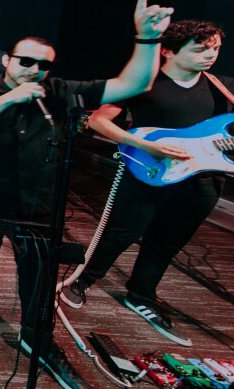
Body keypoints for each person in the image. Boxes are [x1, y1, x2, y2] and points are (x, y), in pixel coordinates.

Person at [0, 0, 173, 389]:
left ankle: (35, 335)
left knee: (36, 269)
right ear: (6, 60)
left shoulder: (59, 92)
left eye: (42, 65)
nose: (33, 69)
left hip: (39, 203)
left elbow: (131, 83)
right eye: (25, 61)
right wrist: (13, 96)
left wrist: (148, 38)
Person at [60, 20, 230, 347]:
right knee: (121, 232)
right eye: (201, 49)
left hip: (203, 182)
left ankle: (141, 295)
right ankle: (82, 281)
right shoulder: (144, 83)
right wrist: (145, 145)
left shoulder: (222, 87)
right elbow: (97, 121)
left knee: (167, 243)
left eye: (216, 48)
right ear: (167, 51)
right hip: (148, 172)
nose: (211, 55)